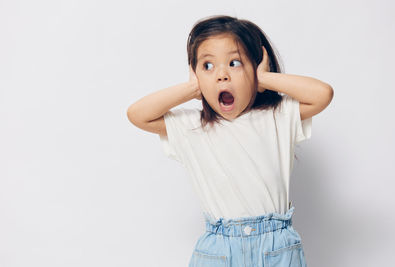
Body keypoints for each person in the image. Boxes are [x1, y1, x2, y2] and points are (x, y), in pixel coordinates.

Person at [127, 15, 333, 267]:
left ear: (256, 68)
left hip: (275, 247)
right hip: (219, 250)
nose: (222, 75)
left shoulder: (278, 116)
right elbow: (137, 114)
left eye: (234, 63)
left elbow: (322, 95)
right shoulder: (192, 127)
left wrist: (264, 80)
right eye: (208, 66)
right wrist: (193, 88)